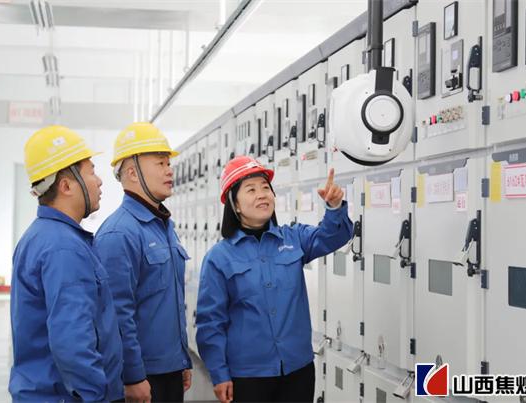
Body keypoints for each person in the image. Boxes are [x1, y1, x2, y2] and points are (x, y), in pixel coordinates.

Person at [196, 155, 352, 403]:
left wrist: (334, 208)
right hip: (248, 375)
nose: (262, 195)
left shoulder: (293, 238)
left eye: (265, 188)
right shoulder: (219, 258)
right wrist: (219, 373)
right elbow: (210, 322)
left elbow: (332, 237)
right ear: (235, 205)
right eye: (251, 190)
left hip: (297, 369)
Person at [9, 125, 124, 401]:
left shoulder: (41, 236)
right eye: (91, 172)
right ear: (66, 186)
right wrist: (94, 396)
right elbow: (72, 342)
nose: (99, 181)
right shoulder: (63, 248)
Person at [95, 122, 192, 402]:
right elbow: (117, 314)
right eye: (160, 163)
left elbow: (169, 302)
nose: (169, 170)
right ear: (132, 173)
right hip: (143, 376)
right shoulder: (119, 233)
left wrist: (181, 359)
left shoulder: (163, 226)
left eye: (168, 163)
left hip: (170, 368)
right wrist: (133, 375)